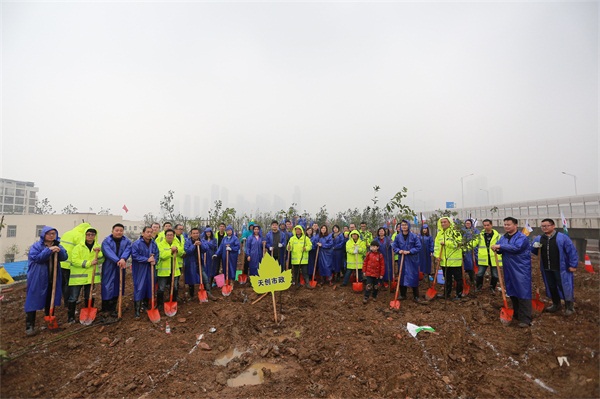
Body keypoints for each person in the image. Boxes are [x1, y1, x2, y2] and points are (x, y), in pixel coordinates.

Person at [24, 226, 68, 336]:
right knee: (33, 300)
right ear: (44, 235)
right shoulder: (36, 246)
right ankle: (30, 326)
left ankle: (50, 322)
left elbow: (64, 257)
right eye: (49, 234)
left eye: (53, 233)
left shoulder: (57, 245)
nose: (51, 235)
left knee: (50, 299)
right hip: (38, 278)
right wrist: (48, 250)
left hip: (52, 277)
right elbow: (37, 258)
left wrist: (59, 250)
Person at [531, 218, 578, 315]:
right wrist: (534, 247)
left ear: (553, 226)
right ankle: (556, 304)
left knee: (564, 286)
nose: (545, 228)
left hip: (561, 268)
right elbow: (535, 252)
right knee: (551, 286)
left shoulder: (562, 238)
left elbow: (572, 251)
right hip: (547, 268)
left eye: (547, 226)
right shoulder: (539, 238)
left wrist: (573, 264)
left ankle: (569, 306)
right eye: (543, 226)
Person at [491, 217, 532, 328]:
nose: (506, 226)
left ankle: (526, 318)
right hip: (508, 268)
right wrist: (497, 249)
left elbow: (516, 248)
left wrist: (500, 246)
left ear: (515, 225)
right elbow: (501, 249)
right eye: (505, 224)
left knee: (523, 292)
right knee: (512, 291)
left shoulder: (522, 237)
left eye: (509, 224)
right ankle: (517, 314)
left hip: (520, 268)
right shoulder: (503, 238)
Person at [67, 227, 103, 323]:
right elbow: (74, 261)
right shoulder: (78, 247)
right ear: (85, 235)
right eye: (88, 234)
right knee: (74, 297)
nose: (90, 236)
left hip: (91, 277)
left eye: (92, 234)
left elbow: (101, 260)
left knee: (89, 295)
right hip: (78, 277)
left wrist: (98, 254)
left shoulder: (98, 247)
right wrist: (89, 263)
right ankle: (70, 317)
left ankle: (88, 315)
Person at [101, 223, 132, 317]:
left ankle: (114, 308)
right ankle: (105, 309)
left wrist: (123, 258)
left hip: (120, 266)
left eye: (121, 230)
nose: (119, 232)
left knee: (118, 286)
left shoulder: (127, 241)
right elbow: (107, 252)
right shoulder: (106, 241)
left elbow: (128, 250)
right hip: (109, 266)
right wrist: (117, 260)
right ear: (112, 231)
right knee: (107, 286)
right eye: (117, 230)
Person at [59, 223, 91, 306]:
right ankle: (70, 301)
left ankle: (66, 301)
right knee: (71, 284)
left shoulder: (67, 233)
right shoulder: (80, 236)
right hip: (72, 264)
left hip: (62, 262)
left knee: (64, 284)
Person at [131, 226, 159, 318]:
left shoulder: (154, 244)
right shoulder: (137, 244)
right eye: (147, 232)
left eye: (151, 232)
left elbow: (157, 254)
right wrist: (146, 259)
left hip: (150, 268)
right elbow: (135, 255)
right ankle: (137, 311)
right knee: (139, 287)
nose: (149, 234)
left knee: (150, 286)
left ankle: (147, 305)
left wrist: (155, 260)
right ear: (143, 233)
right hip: (140, 269)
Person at [434, 217, 463, 300]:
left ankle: (458, 295)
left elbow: (458, 244)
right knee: (447, 278)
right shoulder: (439, 234)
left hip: (455, 261)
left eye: (445, 222)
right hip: (444, 261)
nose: (443, 224)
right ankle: (446, 294)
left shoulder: (455, 232)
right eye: (441, 222)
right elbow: (436, 246)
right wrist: (437, 256)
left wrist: (446, 243)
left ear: (449, 223)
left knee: (458, 279)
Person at [392, 220, 423, 302]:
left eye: (405, 225)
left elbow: (418, 246)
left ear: (408, 226)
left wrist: (410, 251)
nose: (404, 226)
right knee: (402, 276)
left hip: (412, 260)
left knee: (414, 276)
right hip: (402, 259)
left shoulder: (414, 236)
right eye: (402, 225)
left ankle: (416, 296)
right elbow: (394, 245)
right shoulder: (398, 237)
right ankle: (403, 294)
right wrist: (399, 250)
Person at [184, 228, 216, 301]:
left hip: (199, 262)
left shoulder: (202, 240)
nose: (195, 235)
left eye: (197, 233)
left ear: (199, 234)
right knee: (191, 279)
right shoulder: (188, 242)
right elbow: (187, 251)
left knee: (205, 278)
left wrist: (200, 245)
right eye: (194, 233)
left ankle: (208, 293)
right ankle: (191, 295)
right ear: (191, 234)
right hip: (190, 263)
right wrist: (194, 245)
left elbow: (206, 249)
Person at [475, 219, 502, 294]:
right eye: (484, 225)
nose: (486, 227)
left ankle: (492, 288)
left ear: (491, 225)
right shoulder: (480, 236)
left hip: (494, 257)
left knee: (495, 275)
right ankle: (479, 287)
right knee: (480, 274)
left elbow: (502, 245)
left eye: (488, 225)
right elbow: (474, 243)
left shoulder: (498, 236)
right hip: (484, 258)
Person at [462, 219, 479, 286]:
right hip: (465, 250)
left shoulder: (475, 230)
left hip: (473, 249)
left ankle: (473, 278)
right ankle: (466, 278)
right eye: (466, 223)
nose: (467, 224)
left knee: (473, 263)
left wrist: (473, 246)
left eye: (469, 223)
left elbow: (477, 238)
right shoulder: (463, 230)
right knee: (467, 264)